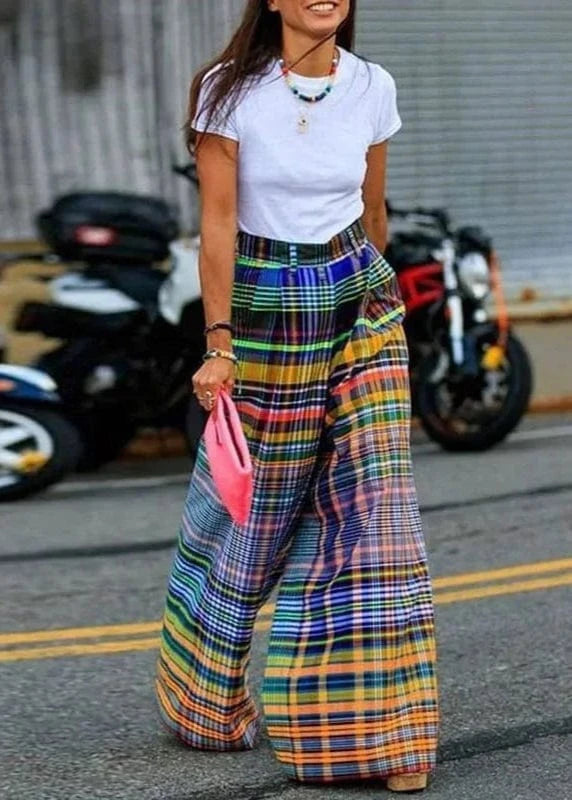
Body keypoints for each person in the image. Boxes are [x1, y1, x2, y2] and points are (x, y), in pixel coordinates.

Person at [155, 0, 439, 792]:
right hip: (269, 301)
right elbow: (218, 225)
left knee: (374, 507)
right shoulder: (228, 90)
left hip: (359, 297)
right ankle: (205, 698)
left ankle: (380, 738)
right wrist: (219, 343)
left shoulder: (372, 86)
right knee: (261, 513)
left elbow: (373, 209)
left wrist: (375, 306)